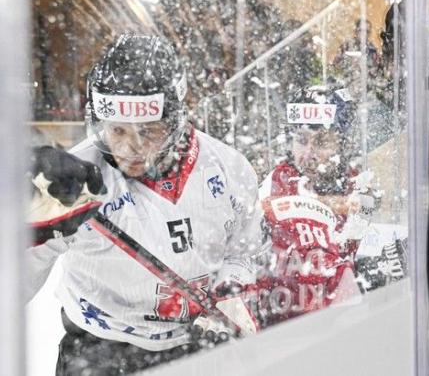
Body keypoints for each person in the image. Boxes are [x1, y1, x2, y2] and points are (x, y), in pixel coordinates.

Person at [27, 34, 264, 374]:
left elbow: (244, 249)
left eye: (149, 131)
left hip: (195, 349)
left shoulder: (229, 168)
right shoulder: (72, 182)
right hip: (98, 354)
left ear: (176, 120)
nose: (129, 149)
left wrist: (231, 289)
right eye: (117, 131)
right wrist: (30, 231)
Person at [253, 85, 376, 327]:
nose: (308, 153)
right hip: (289, 330)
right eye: (301, 140)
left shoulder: (358, 186)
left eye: (321, 142)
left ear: (343, 144)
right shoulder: (277, 184)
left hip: (345, 328)